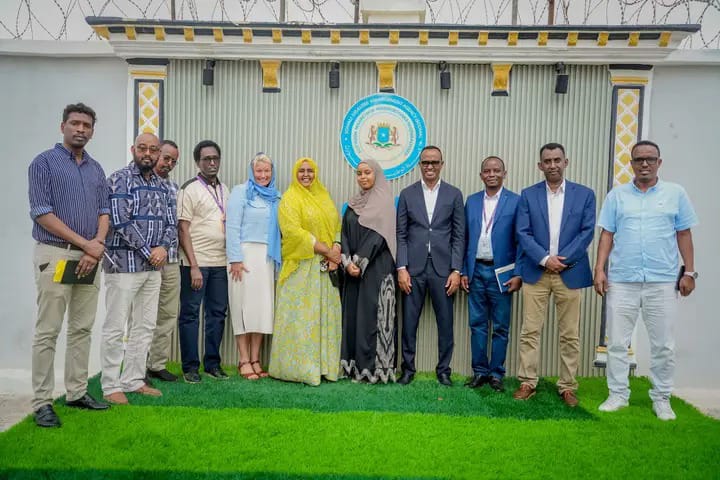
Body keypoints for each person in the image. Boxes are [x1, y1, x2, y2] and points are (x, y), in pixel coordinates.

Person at [594, 140, 698, 421]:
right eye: (639, 159)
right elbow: (607, 234)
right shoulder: (617, 196)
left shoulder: (675, 194)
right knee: (617, 343)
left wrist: (689, 272)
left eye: (650, 159)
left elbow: (684, 234)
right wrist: (600, 269)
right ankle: (618, 395)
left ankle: (662, 398)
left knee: (663, 345)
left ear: (659, 163)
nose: (644, 164)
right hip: (622, 280)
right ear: (631, 164)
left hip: (662, 281)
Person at [28, 103, 110, 427]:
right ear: (62, 126)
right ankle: (42, 402)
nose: (80, 129)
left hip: (90, 258)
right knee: (48, 331)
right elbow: (41, 212)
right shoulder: (43, 163)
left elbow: (104, 211)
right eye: (75, 123)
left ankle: (77, 392)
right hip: (57, 255)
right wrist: (84, 244)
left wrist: (96, 246)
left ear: (92, 131)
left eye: (86, 125)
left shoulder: (96, 169)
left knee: (82, 328)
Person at [513, 142, 595, 407]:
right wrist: (544, 258)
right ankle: (528, 382)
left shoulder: (585, 195)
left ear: (565, 162)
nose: (552, 165)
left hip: (570, 272)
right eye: (547, 161)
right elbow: (523, 232)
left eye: (557, 160)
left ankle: (568, 386)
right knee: (530, 331)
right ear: (540, 166)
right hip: (536, 272)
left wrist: (562, 260)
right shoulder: (528, 195)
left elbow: (586, 232)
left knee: (570, 333)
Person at [101, 132, 177, 405]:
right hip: (123, 265)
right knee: (115, 326)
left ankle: (133, 380)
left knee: (145, 325)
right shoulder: (119, 179)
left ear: (158, 153)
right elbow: (120, 221)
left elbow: (171, 223)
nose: (148, 153)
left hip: (152, 268)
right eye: (142, 148)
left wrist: (163, 248)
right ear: (133, 149)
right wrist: (150, 252)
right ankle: (110, 385)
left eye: (153, 149)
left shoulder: (163, 186)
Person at [268, 157, 342, 386]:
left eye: (310, 170)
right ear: (295, 173)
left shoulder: (323, 196)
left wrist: (336, 248)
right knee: (302, 319)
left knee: (324, 316)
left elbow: (336, 224)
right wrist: (326, 251)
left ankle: (325, 368)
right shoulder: (290, 199)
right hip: (301, 269)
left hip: (325, 268)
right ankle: (300, 369)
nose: (306, 174)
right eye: (301, 171)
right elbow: (293, 232)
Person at [396, 145, 466, 386]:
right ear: (420, 165)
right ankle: (407, 369)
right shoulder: (407, 194)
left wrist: (456, 270)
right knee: (409, 323)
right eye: (425, 162)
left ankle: (443, 370)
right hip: (413, 270)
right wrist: (401, 268)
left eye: (434, 162)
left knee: (445, 323)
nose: (430, 166)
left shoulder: (454, 194)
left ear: (441, 165)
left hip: (443, 270)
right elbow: (401, 234)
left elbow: (459, 236)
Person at [461, 156, 522, 393]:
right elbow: (464, 238)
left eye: (497, 170)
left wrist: (518, 273)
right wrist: (464, 270)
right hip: (476, 270)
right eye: (487, 171)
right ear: (481, 175)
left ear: (504, 173)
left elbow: (521, 240)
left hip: (502, 273)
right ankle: (479, 372)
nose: (492, 174)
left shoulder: (515, 201)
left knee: (500, 326)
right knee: (477, 324)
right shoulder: (472, 201)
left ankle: (496, 374)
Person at [177, 140, 230, 383]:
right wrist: (194, 266)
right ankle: (190, 367)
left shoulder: (225, 189)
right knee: (190, 314)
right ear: (197, 162)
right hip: (195, 264)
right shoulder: (189, 189)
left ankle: (212, 364)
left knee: (217, 314)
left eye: (215, 158)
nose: (212, 163)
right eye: (206, 159)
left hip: (220, 263)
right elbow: (182, 229)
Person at [340, 159, 398, 384]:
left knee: (373, 317)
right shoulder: (353, 203)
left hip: (377, 269)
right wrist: (347, 262)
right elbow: (344, 233)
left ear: (377, 175)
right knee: (355, 316)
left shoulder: (384, 203)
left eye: (367, 172)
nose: (363, 177)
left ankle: (375, 369)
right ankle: (353, 367)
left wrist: (358, 262)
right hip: (353, 271)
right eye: (359, 173)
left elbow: (379, 236)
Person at [226, 153, 282, 380]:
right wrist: (235, 258)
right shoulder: (241, 192)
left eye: (267, 170)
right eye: (259, 170)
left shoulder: (276, 196)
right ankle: (243, 359)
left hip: (266, 257)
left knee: (261, 308)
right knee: (242, 306)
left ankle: (256, 358)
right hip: (244, 256)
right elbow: (232, 226)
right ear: (252, 172)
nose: (263, 175)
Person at [146, 140, 181, 383]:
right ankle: (137, 366)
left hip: (172, 259)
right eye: (165, 157)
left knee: (168, 314)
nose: (168, 163)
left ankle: (156, 364)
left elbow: (175, 224)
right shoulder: (141, 182)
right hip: (146, 259)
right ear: (157, 154)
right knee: (142, 315)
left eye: (173, 161)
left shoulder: (174, 187)